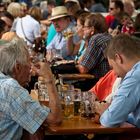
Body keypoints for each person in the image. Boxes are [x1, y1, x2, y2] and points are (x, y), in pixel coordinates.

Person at [0, 37, 62, 139]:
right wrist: (49, 78)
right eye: (29, 63)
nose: (31, 68)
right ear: (17, 67)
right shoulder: (10, 88)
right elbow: (55, 119)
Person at [97, 34, 140, 128]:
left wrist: (105, 112)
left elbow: (109, 121)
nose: (114, 73)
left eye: (112, 67)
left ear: (118, 58)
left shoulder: (135, 77)